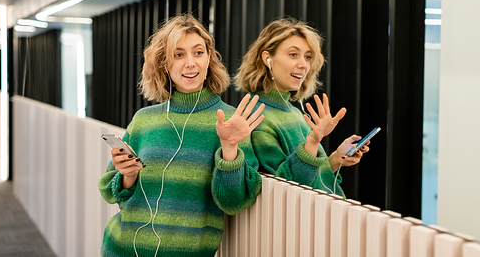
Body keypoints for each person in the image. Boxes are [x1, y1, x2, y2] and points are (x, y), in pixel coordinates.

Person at [98, 14, 264, 257]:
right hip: (121, 248)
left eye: (198, 52)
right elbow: (109, 191)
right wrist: (127, 176)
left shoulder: (232, 122)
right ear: (165, 63)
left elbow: (233, 202)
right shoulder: (145, 119)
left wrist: (229, 148)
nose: (190, 63)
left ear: (209, 58)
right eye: (179, 54)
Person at [234, 18, 369, 197]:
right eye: (293, 54)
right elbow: (283, 189)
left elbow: (311, 178)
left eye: (307, 57)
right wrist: (313, 141)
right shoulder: (257, 116)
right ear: (268, 59)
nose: (304, 64)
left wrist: (336, 159)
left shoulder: (294, 112)